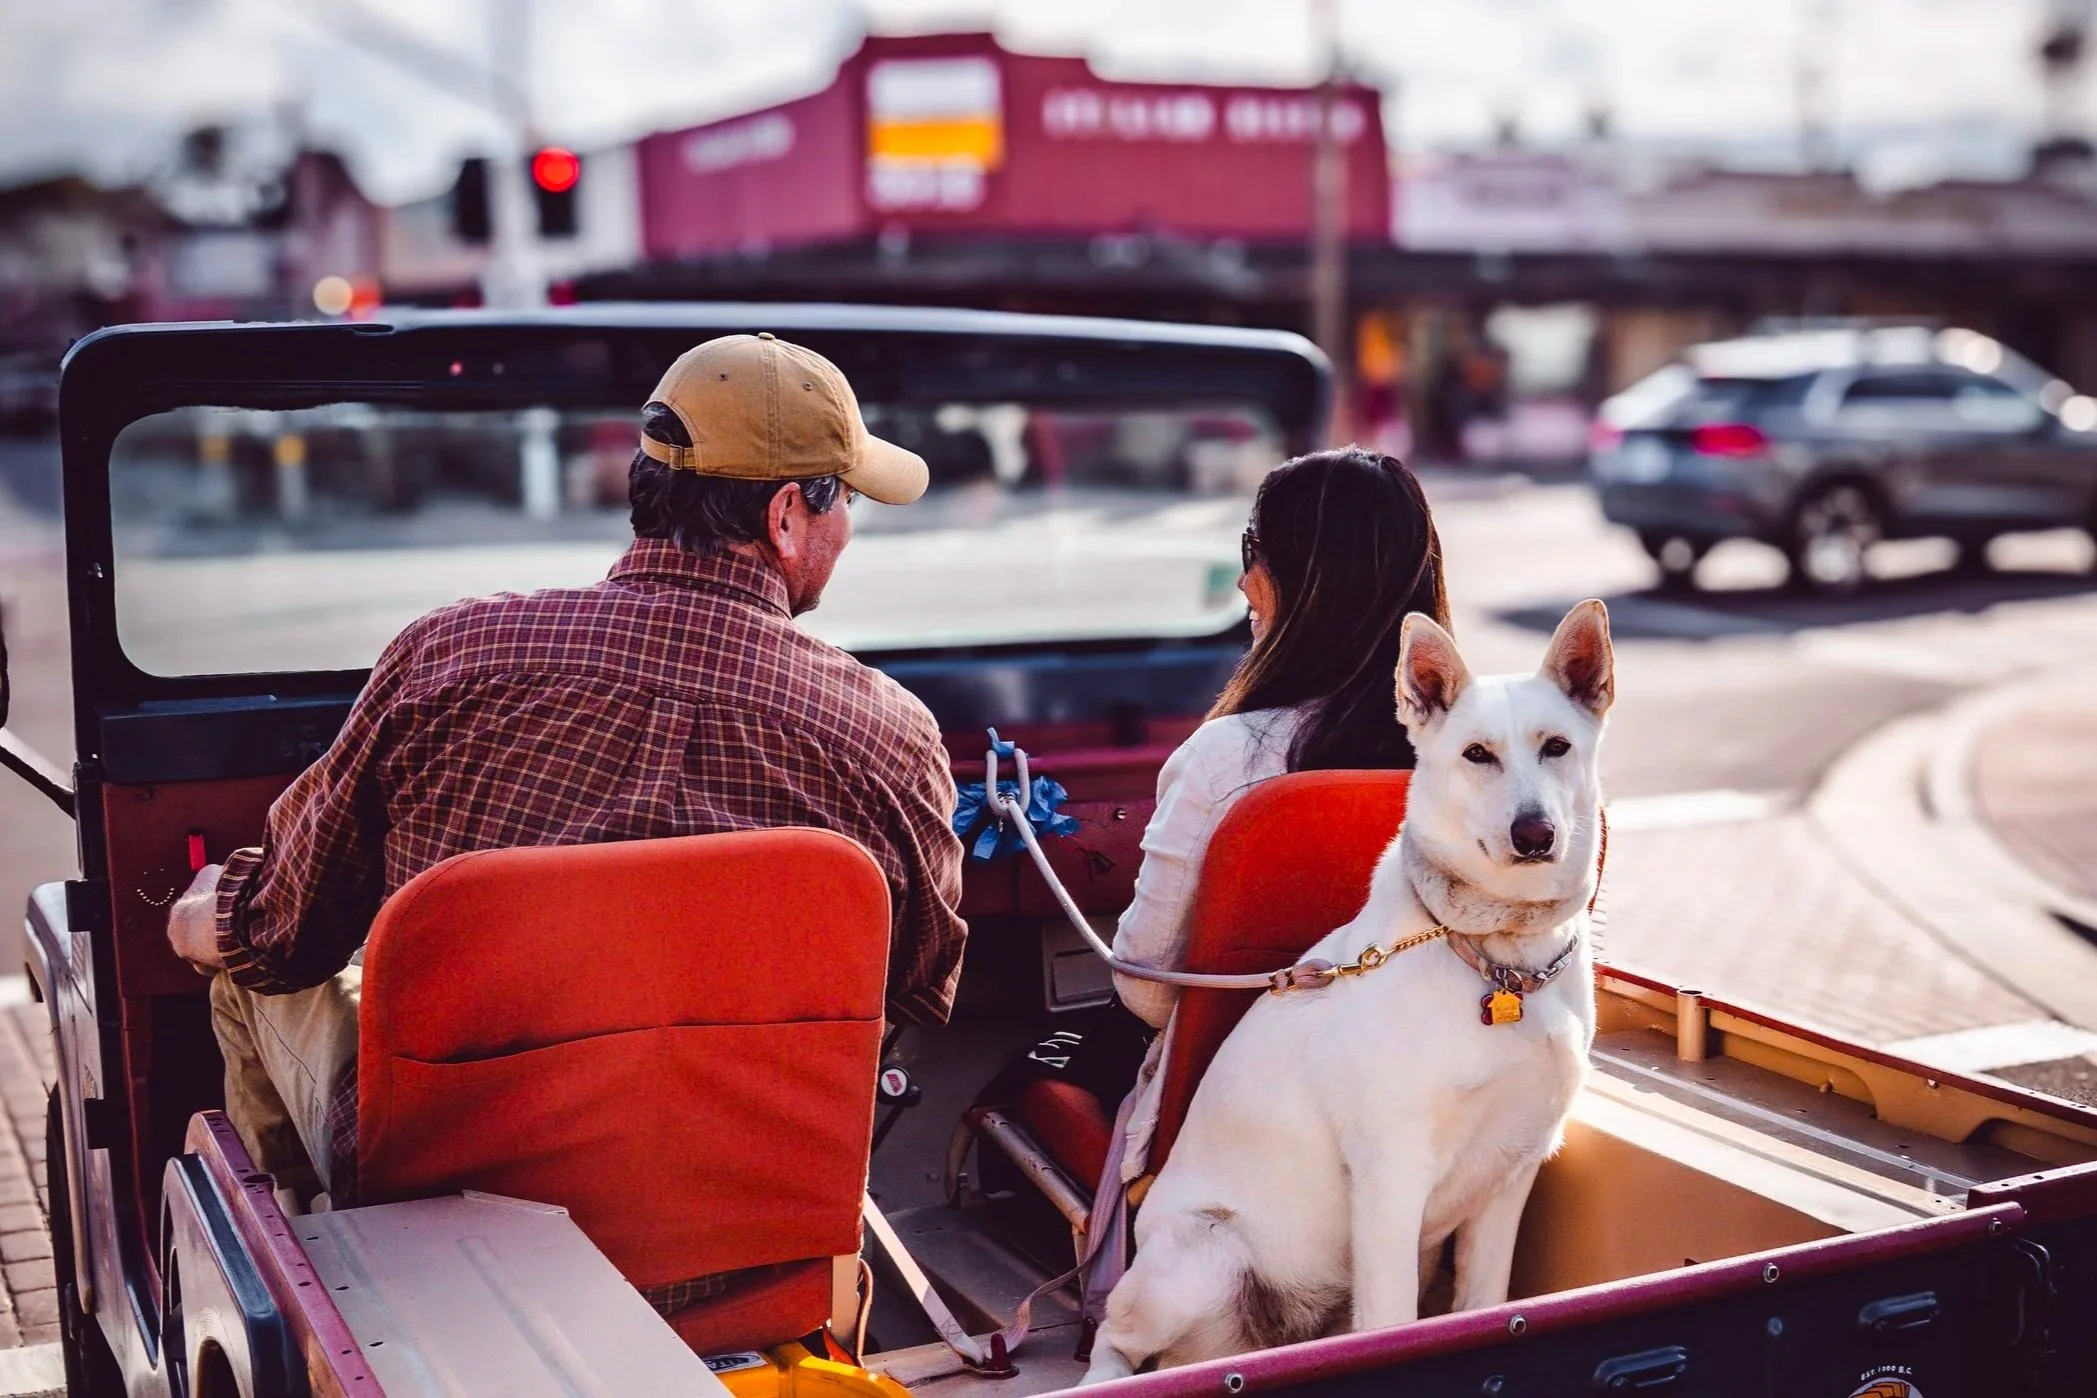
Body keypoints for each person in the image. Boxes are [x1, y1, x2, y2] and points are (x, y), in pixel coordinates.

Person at [164, 332, 968, 1216]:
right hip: (748, 1213)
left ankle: (322, 1280)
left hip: (461, 1215)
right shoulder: (889, 737)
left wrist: (200, 917)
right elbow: (911, 989)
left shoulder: (451, 657)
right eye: (844, 500)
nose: (846, 526)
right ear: (785, 516)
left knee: (242, 961)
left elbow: (284, 934)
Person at [1102, 446, 1450, 1162]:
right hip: (1416, 1135)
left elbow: (1147, 993)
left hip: (1234, 1134)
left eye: (1253, 550)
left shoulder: (1227, 758)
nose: (1240, 580)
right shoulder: (1472, 761)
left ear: (1305, 577)